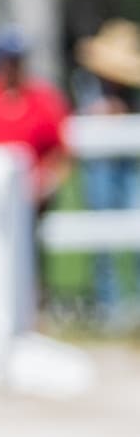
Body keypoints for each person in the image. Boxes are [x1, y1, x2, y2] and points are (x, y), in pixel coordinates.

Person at [73, 18, 140, 332]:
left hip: (128, 166)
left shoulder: (130, 93)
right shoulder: (86, 86)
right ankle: (109, 304)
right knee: (103, 236)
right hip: (100, 168)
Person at [0, 26, 71, 203]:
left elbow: (62, 152)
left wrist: (46, 180)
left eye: (16, 61)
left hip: (31, 198)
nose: (11, 67)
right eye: (6, 61)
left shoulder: (43, 99)